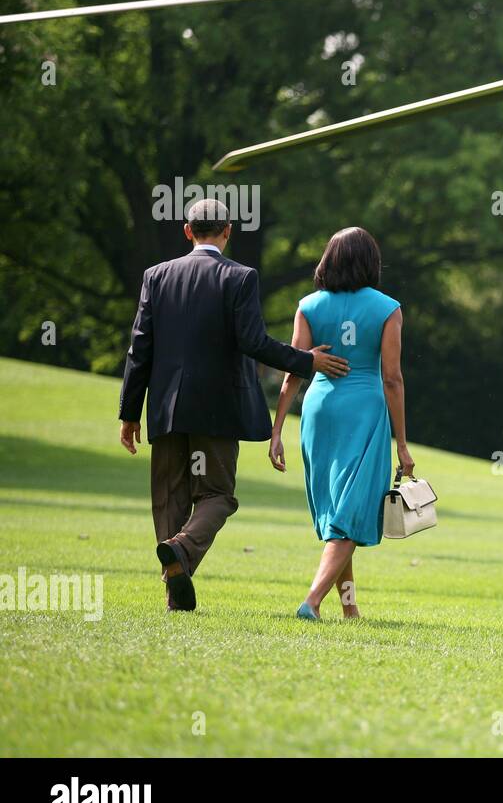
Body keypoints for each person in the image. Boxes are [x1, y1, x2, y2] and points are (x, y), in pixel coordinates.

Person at [118, 198, 350, 612]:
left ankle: (176, 594)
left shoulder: (156, 276)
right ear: (227, 230)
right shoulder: (240, 277)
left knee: (169, 498)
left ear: (187, 231)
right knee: (218, 495)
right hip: (217, 411)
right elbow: (253, 342)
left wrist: (128, 412)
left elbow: (140, 350)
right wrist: (306, 360)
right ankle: (182, 549)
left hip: (166, 409)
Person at [268, 226, 411, 620]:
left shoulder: (309, 305)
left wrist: (277, 430)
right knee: (349, 515)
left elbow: (293, 371)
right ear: (371, 262)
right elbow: (392, 378)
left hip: (319, 410)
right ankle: (311, 601)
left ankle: (349, 608)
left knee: (340, 512)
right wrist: (402, 443)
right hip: (363, 410)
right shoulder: (387, 307)